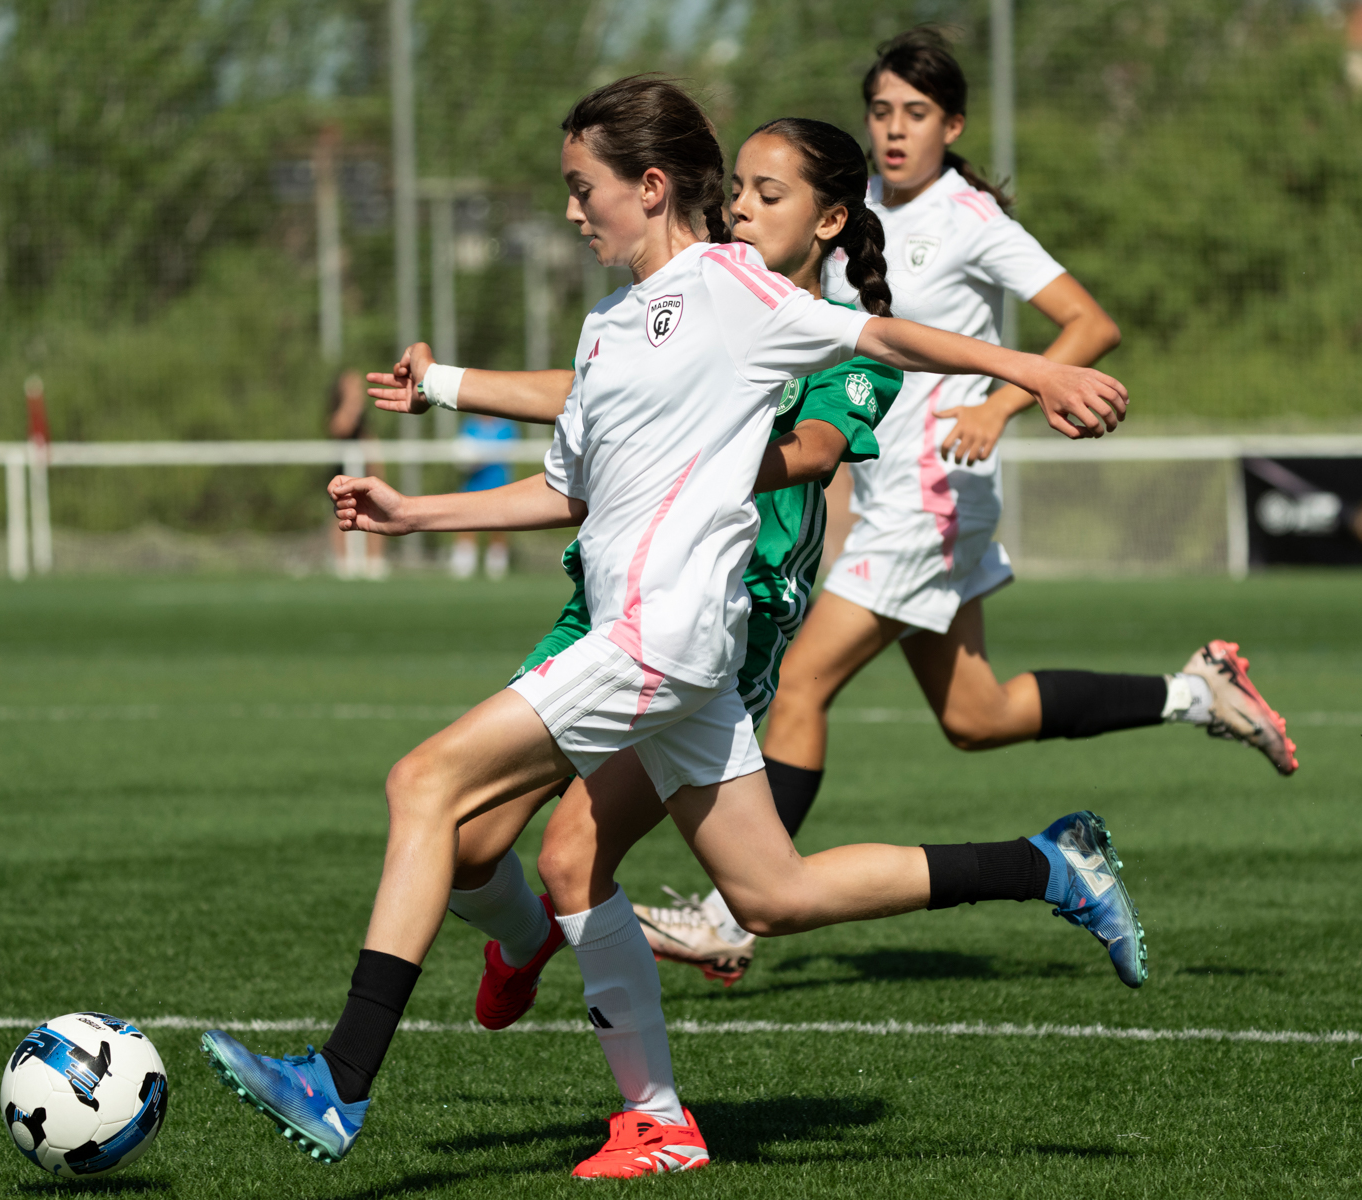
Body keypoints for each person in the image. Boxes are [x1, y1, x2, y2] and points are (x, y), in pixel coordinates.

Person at [198, 75, 1133, 1177]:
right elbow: (572, 487)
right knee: (771, 894)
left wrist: (1034, 369)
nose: (569, 210)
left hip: (661, 637)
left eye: (580, 187)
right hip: (668, 646)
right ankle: (1040, 869)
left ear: (649, 187)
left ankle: (340, 1081)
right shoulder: (606, 326)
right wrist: (417, 513)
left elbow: (885, 338)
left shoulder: (738, 291)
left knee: (425, 786)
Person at [630, 29, 1298, 985]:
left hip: (936, 497)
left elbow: (1090, 323)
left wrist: (999, 404)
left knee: (802, 685)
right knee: (977, 714)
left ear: (953, 125)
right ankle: (1199, 693)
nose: (895, 130)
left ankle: (729, 915)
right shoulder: (847, 211)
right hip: (900, 498)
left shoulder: (970, 217)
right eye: (881, 111)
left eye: (916, 113)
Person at [326, 369, 388, 579]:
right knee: (341, 514)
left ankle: (374, 564)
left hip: (364, 474)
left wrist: (377, 470)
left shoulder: (364, 417)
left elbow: (370, 443)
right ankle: (344, 565)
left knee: (375, 513)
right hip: (342, 473)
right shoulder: (342, 411)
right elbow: (339, 428)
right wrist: (351, 402)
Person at [449, 414, 516, 579]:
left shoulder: (506, 426)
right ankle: (464, 563)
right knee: (467, 522)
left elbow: (509, 451)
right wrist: (470, 461)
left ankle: (496, 565)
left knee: (499, 525)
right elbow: (462, 452)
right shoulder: (469, 424)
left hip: (499, 484)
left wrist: (481, 457)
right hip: (473, 484)